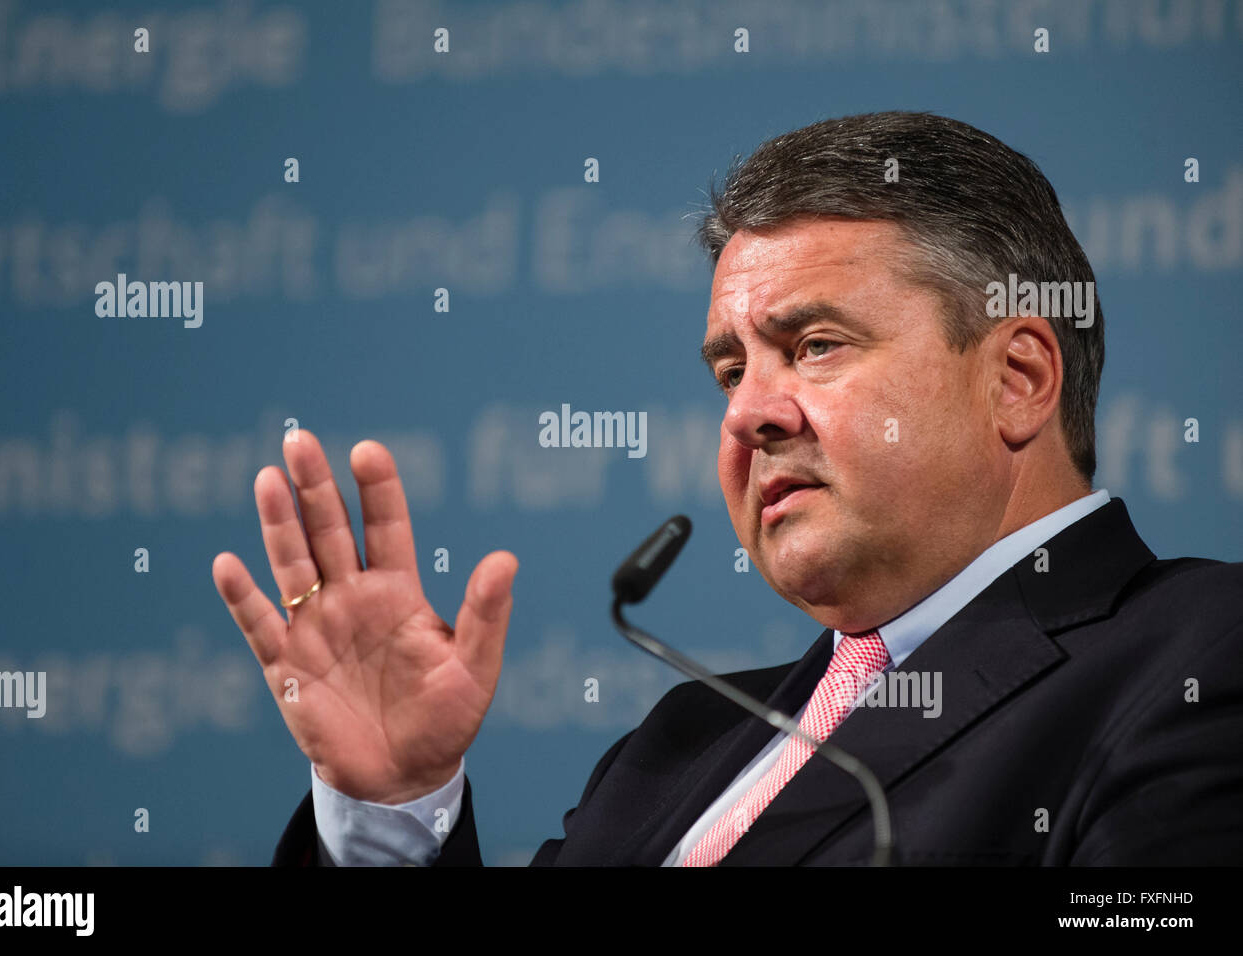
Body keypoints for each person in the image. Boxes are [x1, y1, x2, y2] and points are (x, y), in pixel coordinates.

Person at [212, 111, 1243, 866]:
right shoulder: (677, 747)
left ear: (1015, 378)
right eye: (729, 369)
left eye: (815, 345)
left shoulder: (1198, 657)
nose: (750, 412)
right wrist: (394, 812)